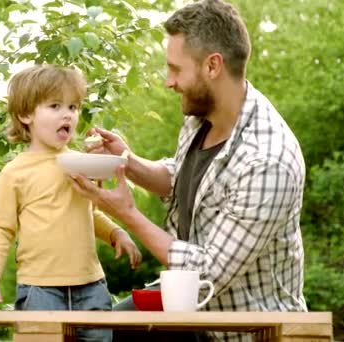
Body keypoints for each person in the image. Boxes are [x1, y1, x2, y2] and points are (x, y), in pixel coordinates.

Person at [71, 0, 307, 341]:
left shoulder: (267, 161)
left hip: (243, 331)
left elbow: (206, 273)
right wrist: (127, 161)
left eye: (176, 69)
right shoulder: (201, 118)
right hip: (193, 312)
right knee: (91, 333)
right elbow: (181, 179)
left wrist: (127, 213)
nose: (169, 82)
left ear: (213, 66)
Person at [0, 64, 142, 342]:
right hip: (40, 290)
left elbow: (88, 211)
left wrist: (115, 233)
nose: (67, 114)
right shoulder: (15, 172)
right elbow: (0, 230)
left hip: (91, 285)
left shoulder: (79, 163)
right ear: (25, 114)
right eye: (55, 106)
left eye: (74, 107)